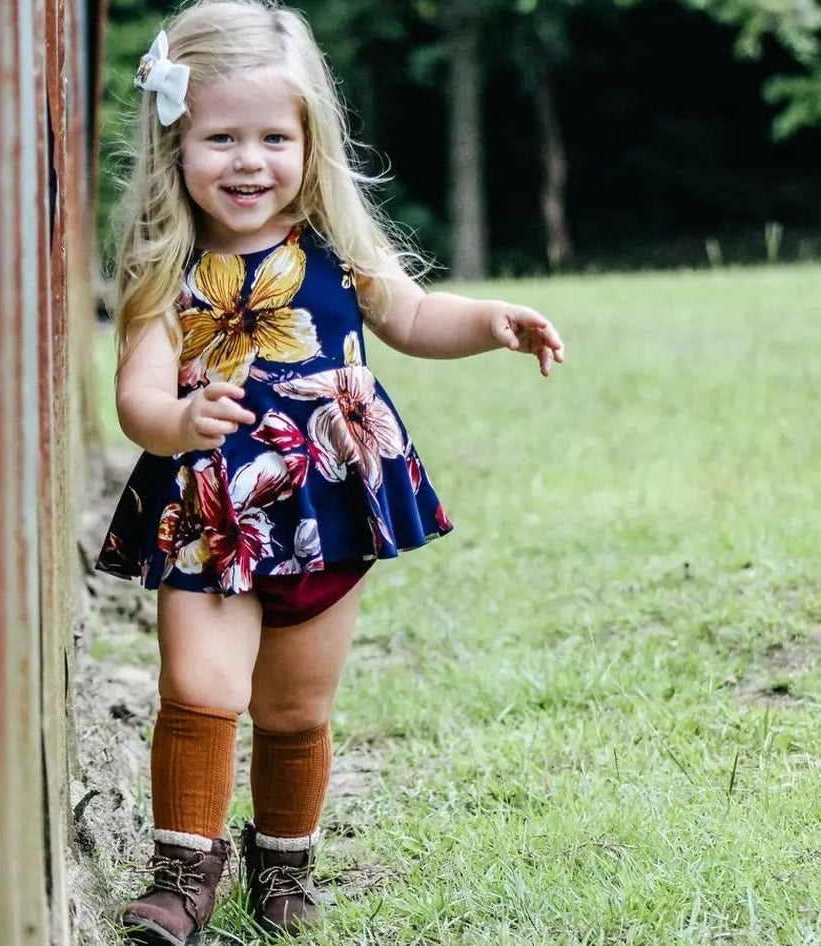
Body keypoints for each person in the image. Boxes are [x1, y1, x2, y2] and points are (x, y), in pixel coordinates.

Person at [95, 1, 564, 942]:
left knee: (295, 705)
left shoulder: (338, 248)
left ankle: (283, 867)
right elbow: (136, 397)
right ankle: (181, 877)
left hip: (326, 505)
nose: (249, 162)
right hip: (212, 511)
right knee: (200, 687)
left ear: (311, 140)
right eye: (221, 138)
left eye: (274, 137)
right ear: (176, 142)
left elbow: (415, 318)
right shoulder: (165, 265)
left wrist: (490, 323)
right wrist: (178, 420)